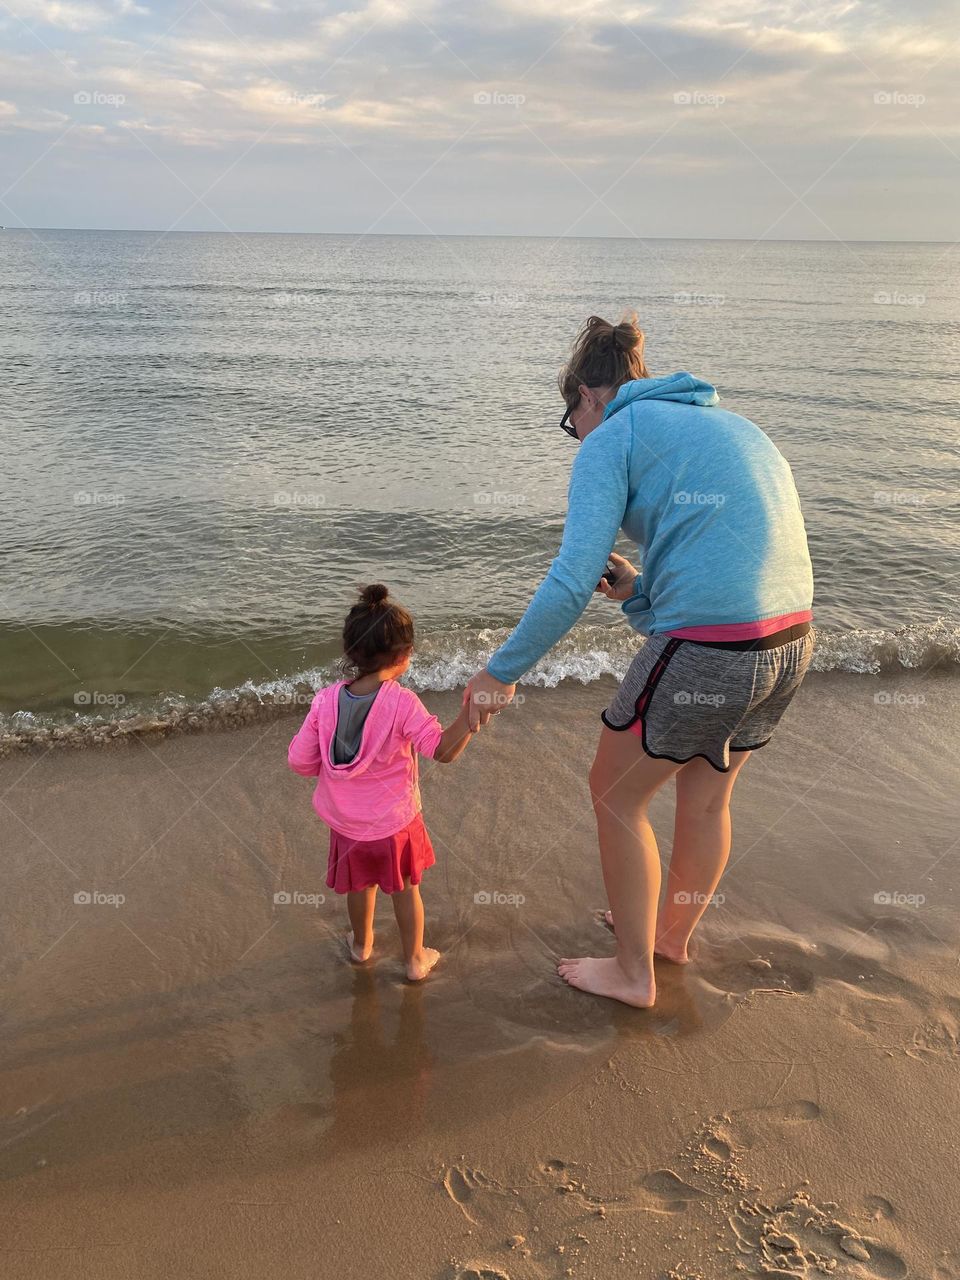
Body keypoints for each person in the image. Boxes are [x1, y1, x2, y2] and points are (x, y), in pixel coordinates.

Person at [466, 316, 814, 1009]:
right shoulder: (733, 427)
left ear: (591, 396)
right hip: (792, 640)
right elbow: (734, 561)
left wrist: (498, 672)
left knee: (615, 792)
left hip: (713, 648)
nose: (578, 438)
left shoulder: (613, 436)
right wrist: (638, 595)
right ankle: (668, 937)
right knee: (707, 793)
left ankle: (632, 974)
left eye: (573, 422)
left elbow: (570, 577)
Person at [288, 584, 476, 981]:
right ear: (404, 655)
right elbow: (441, 751)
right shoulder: (402, 702)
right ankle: (414, 960)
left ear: (350, 652)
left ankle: (361, 947)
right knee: (406, 890)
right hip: (394, 826)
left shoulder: (324, 701)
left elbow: (299, 762)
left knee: (360, 887)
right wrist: (470, 720)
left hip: (346, 825)